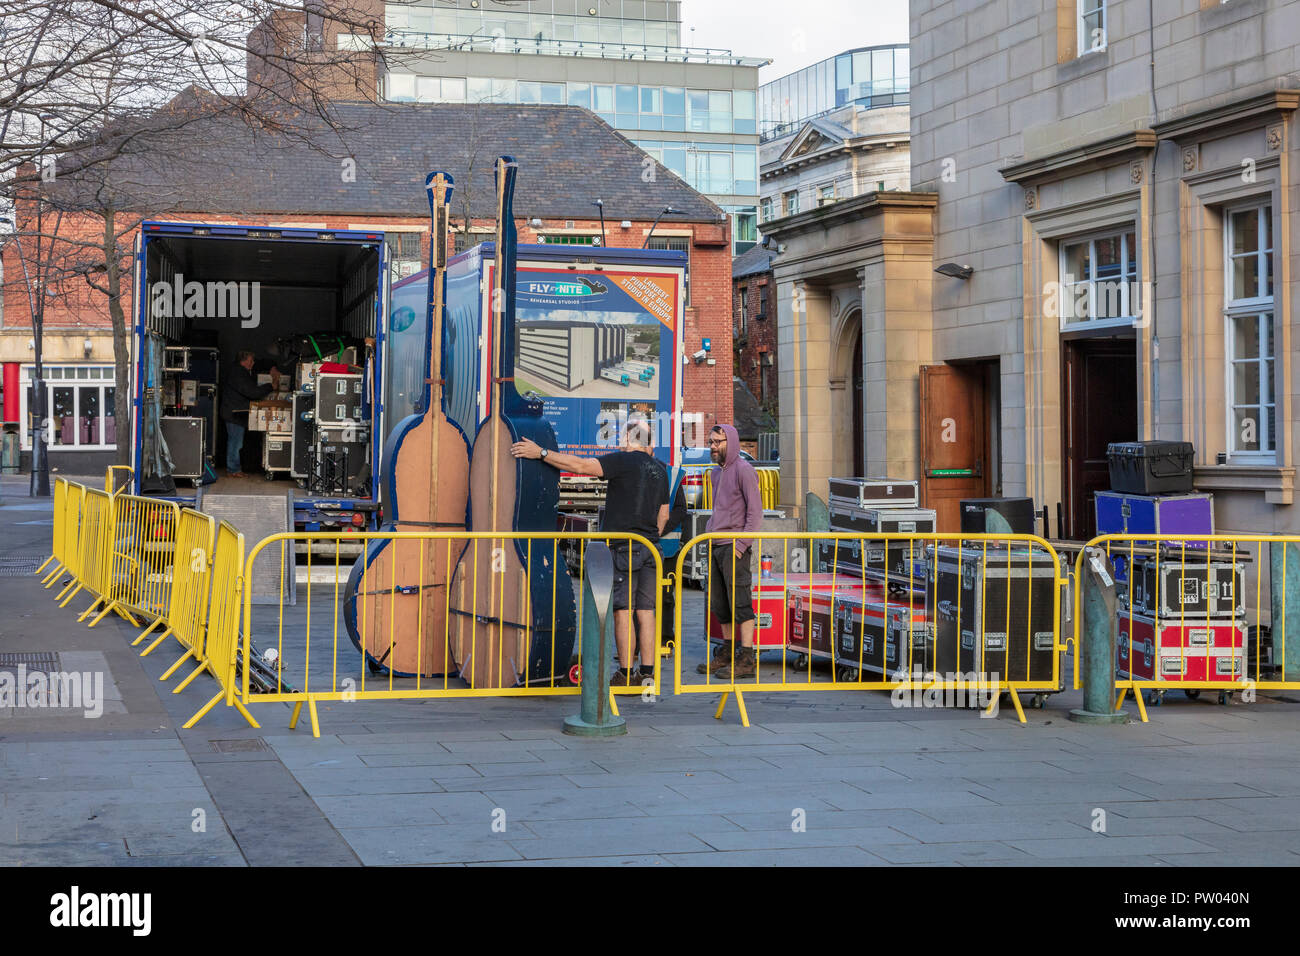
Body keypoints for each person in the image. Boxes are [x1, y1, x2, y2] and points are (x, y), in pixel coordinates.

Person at [511, 420, 668, 684]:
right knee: (646, 611)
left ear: (631, 440)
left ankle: (626, 673)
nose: (619, 442)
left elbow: (581, 466)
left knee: (623, 610)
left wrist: (541, 453)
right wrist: (650, 536)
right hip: (652, 547)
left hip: (625, 546)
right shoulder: (660, 470)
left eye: (621, 437)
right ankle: (648, 677)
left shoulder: (622, 461)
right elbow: (663, 513)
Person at [699, 423, 763, 680]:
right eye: (711, 442)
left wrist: (740, 546)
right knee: (720, 604)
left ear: (731, 443)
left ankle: (747, 658)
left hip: (734, 547)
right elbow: (719, 508)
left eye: (718, 442)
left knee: (741, 603)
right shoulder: (715, 473)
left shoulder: (745, 471)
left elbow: (755, 514)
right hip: (716, 544)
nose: (713, 447)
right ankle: (727, 652)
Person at [220, 350, 280, 477]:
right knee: (235, 442)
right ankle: (233, 470)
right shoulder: (238, 373)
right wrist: (271, 386)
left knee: (236, 441)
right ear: (244, 361)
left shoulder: (240, 370)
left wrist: (273, 367)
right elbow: (252, 392)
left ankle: (234, 468)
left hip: (235, 412)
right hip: (233, 413)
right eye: (251, 361)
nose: (253, 363)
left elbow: (261, 363)